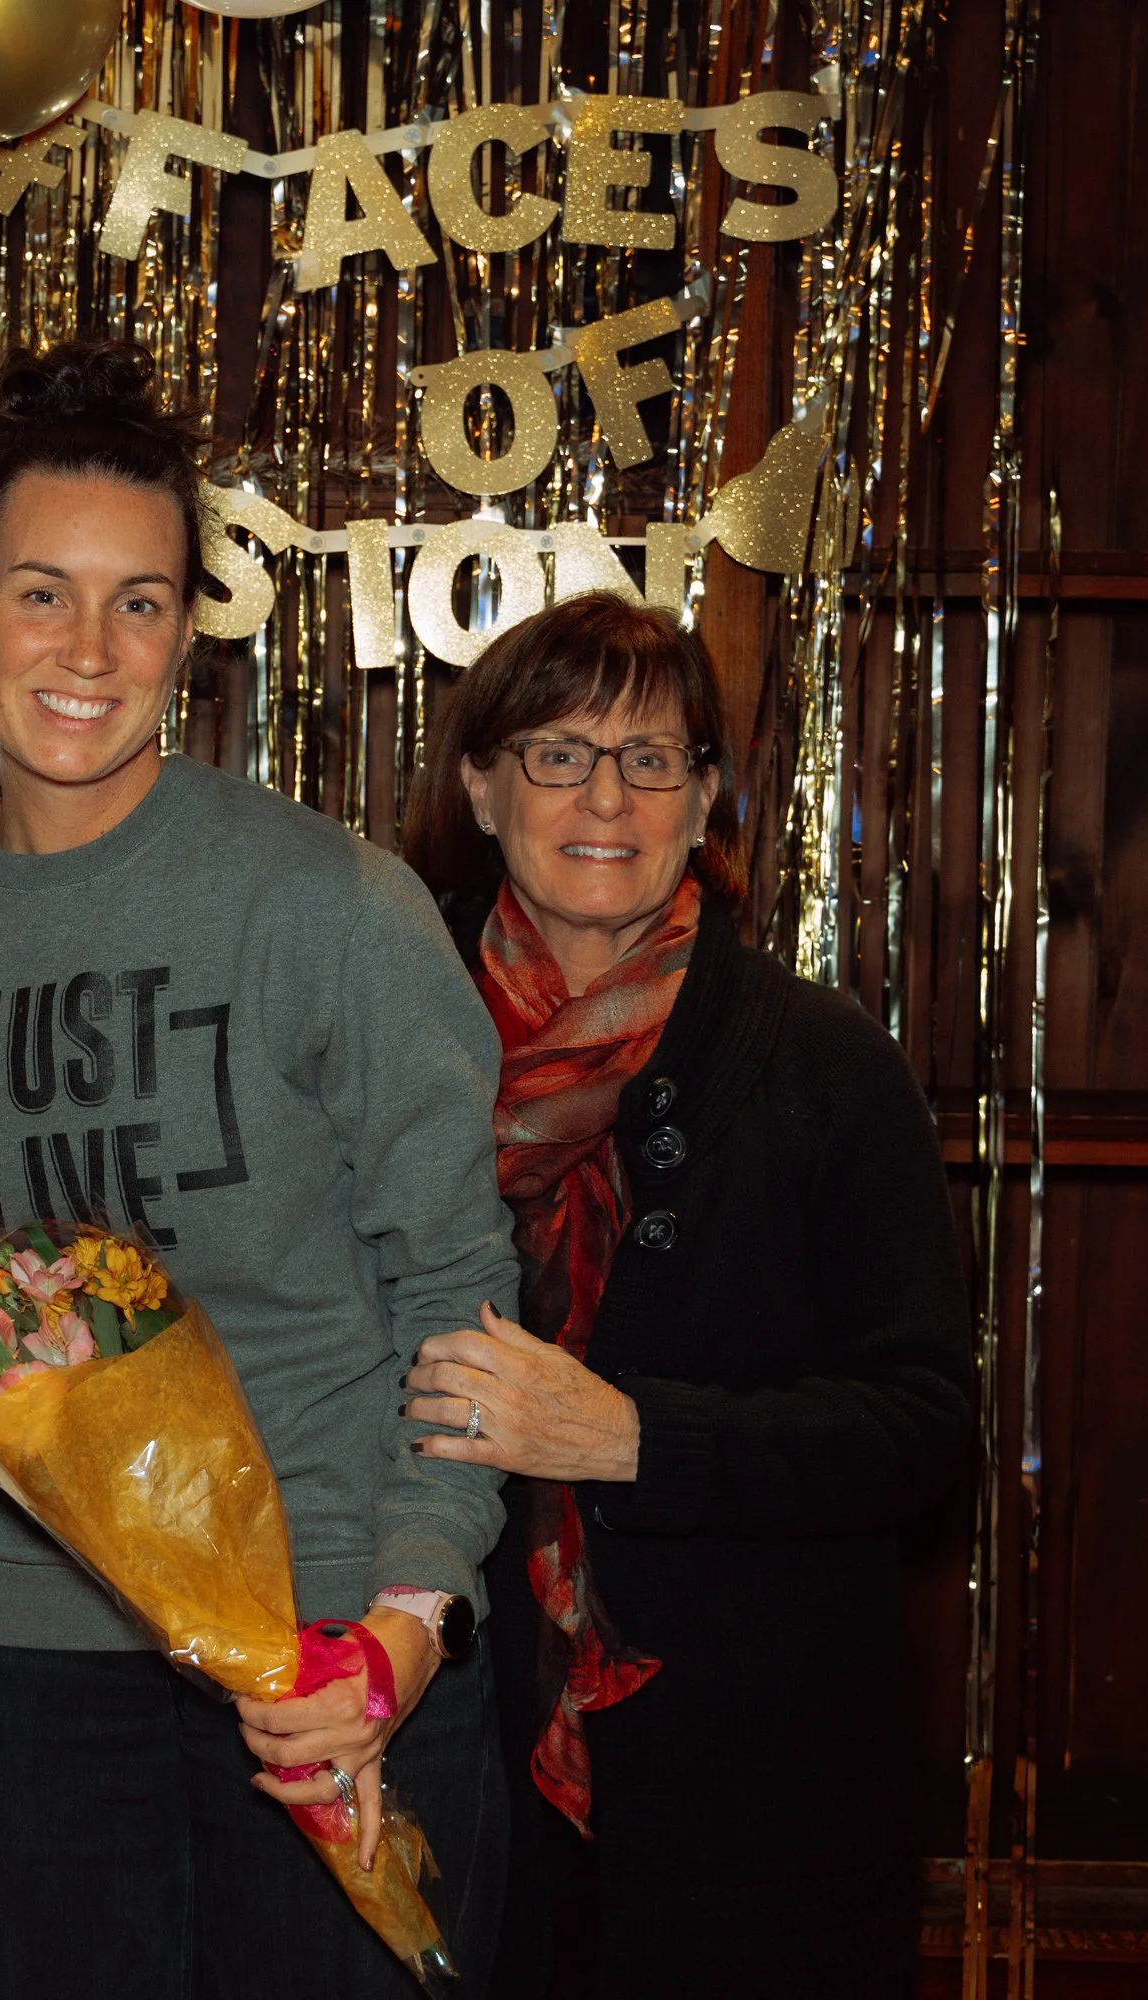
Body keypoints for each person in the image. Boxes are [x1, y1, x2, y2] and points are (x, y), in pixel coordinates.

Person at [0, 338, 520, 2000]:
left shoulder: (323, 903)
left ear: (188, 633)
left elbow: (458, 1298)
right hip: (33, 1676)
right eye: (42, 592)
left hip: (327, 1658)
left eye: (140, 603)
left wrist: (401, 1627)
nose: (87, 650)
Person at [396, 594, 974, 1998]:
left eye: (653, 759)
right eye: (557, 753)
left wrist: (633, 1441)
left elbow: (923, 1430)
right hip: (436, 1749)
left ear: (705, 795)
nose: (607, 797)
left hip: (754, 1790)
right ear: (479, 785)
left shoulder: (822, 1062)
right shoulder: (381, 1039)